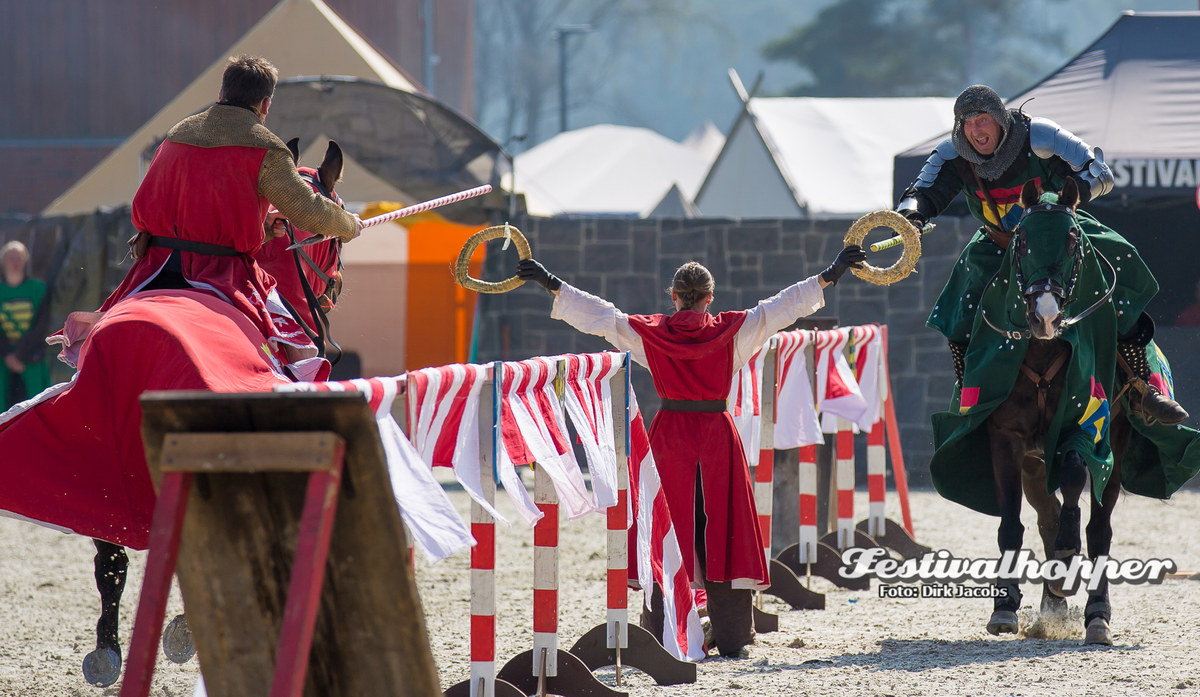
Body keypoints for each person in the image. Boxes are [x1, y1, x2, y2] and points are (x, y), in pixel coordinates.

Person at [516, 244, 866, 658]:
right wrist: (831, 273)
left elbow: (603, 317)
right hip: (718, 437)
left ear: (673, 296)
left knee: (669, 530)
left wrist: (550, 283)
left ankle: (663, 631)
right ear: (709, 297)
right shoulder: (733, 330)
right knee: (725, 532)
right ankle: (734, 636)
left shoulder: (651, 332)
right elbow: (780, 309)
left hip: (670, 440)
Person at [896, 84, 1187, 425]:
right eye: (967, 121)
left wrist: (1062, 203)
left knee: (1121, 273)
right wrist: (912, 218)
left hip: (1058, 235)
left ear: (1001, 120)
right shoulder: (953, 155)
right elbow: (921, 193)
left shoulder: (1041, 137)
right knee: (958, 310)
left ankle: (1143, 388)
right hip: (1000, 243)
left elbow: (1099, 174)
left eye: (983, 119)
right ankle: (969, 402)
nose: (975, 129)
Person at [71, 55, 362, 380]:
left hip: (154, 268)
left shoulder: (176, 135)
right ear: (265, 105)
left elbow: (151, 207)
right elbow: (308, 212)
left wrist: (262, 229)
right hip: (224, 274)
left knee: (106, 329)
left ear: (222, 94)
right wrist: (348, 224)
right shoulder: (267, 148)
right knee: (296, 355)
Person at [0, 241, 51, 408]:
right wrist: (8, 354)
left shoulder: (38, 289)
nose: (14, 262)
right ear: (3, 261)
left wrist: (20, 354)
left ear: (25, 261)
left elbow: (41, 325)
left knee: (36, 405)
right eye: (10, 257)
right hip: (3, 355)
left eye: (19, 258)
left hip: (31, 354)